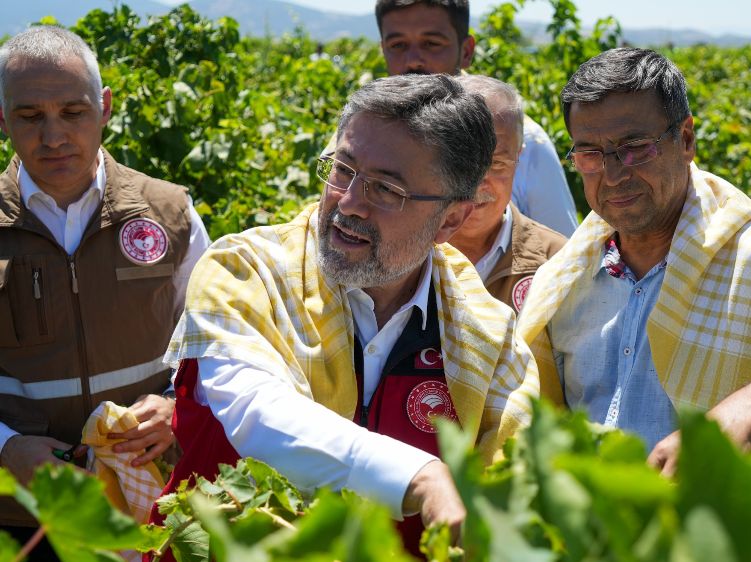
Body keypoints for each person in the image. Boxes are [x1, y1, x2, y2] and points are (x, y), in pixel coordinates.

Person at [151, 74, 538, 555]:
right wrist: (421, 476)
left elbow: (510, 487)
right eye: (342, 170)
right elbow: (257, 412)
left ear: (452, 219)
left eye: (386, 190)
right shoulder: (245, 271)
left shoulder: (488, 333)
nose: (349, 202)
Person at [517, 48, 751, 476]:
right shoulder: (565, 278)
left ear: (687, 140)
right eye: (591, 155)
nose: (614, 174)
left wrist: (738, 416)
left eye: (635, 147)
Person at [0, 25, 209, 549]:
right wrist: (6, 448)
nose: (53, 136)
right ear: (2, 119)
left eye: (73, 112)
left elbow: (219, 342)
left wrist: (178, 407)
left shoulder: (170, 212)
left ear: (106, 106)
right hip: (22, 517)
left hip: (152, 497)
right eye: (29, 117)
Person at [374, 0, 579, 237]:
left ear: (467, 51)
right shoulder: (364, 138)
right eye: (397, 45)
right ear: (383, 50)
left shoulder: (527, 142)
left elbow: (562, 255)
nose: (413, 60)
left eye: (431, 43)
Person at [447, 74, 566, 313]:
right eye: (462, 162)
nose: (477, 182)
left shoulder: (556, 262)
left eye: (496, 163)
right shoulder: (402, 250)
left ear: (518, 158)